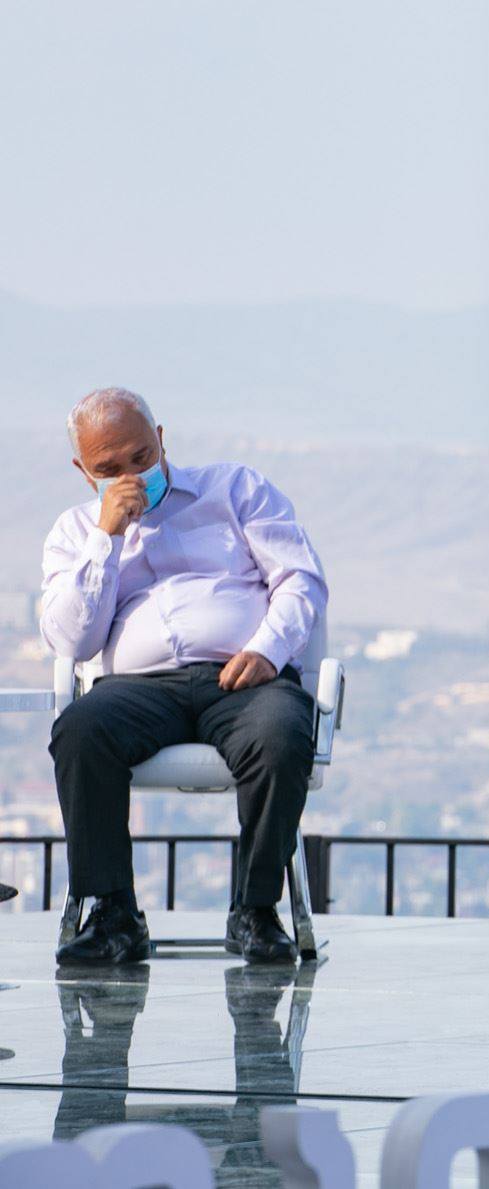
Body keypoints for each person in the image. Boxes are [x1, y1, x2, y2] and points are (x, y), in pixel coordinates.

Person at [40, 388, 329, 966]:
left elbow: (300, 579)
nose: (130, 477)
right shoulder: (74, 533)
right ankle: (114, 915)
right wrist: (106, 539)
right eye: (109, 469)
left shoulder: (234, 490)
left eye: (141, 457)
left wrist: (268, 650)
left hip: (242, 676)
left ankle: (254, 911)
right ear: (83, 471)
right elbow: (73, 642)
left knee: (280, 733)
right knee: (80, 730)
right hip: (137, 689)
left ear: (161, 439)